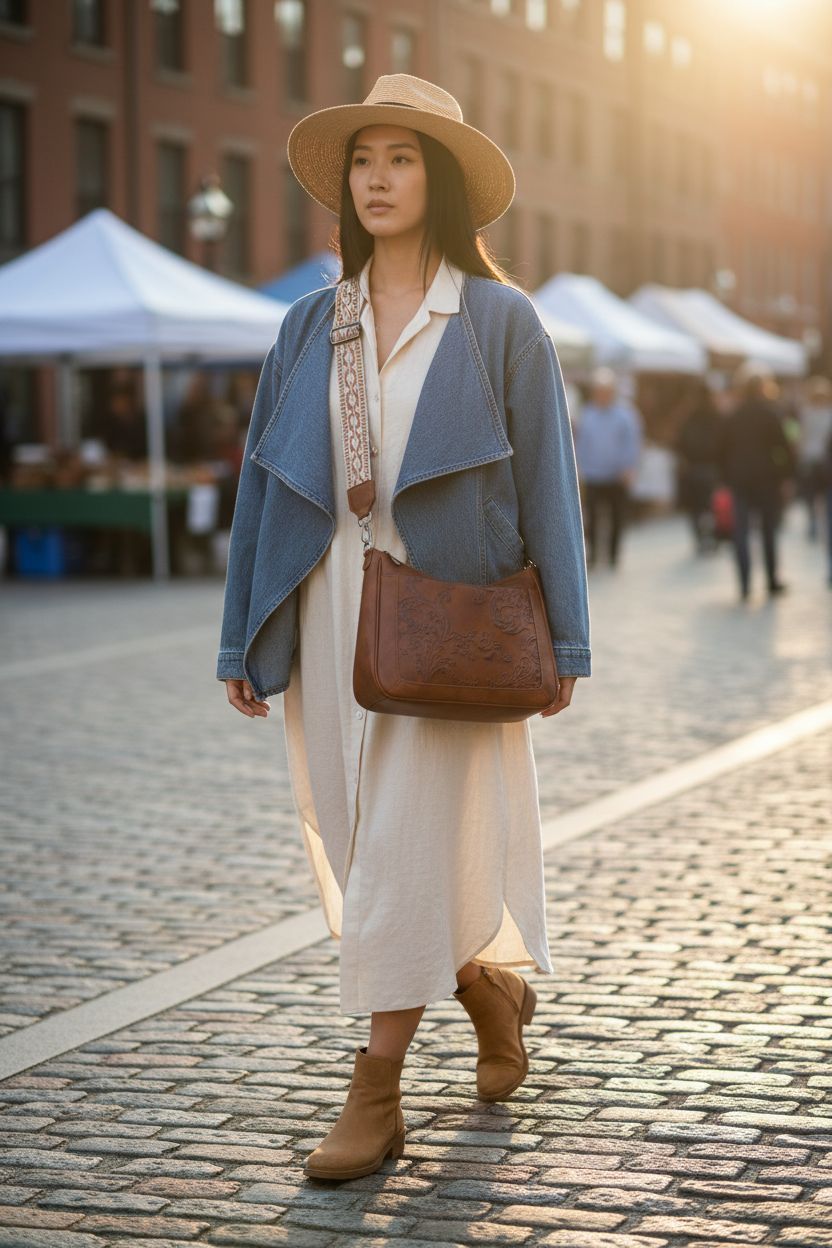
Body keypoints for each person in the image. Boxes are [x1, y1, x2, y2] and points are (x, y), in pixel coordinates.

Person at [216, 73, 591, 1181]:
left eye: (403, 159)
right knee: (359, 834)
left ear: (444, 183)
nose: (378, 179)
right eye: (364, 161)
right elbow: (260, 489)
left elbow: (552, 489)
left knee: (401, 852)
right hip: (330, 609)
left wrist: (563, 640)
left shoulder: (497, 320)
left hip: (454, 623)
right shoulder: (306, 325)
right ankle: (490, 990)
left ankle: (373, 1096)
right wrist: (243, 634)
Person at [718, 362, 795, 601]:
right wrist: (785, 476)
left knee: (741, 531)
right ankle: (771, 581)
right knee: (767, 530)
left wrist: (725, 478)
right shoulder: (770, 413)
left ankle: (744, 584)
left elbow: (720, 450)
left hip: (739, 479)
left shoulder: (733, 415)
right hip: (766, 478)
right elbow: (783, 448)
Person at [574, 366, 642, 567]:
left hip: (617, 475)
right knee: (593, 517)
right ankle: (594, 555)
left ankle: (613, 555)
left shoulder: (625, 415)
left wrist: (629, 467)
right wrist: (580, 468)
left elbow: (632, 443)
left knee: (616, 516)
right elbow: (580, 444)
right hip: (594, 474)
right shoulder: (587, 415)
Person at [674, 379, 722, 554]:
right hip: (711, 468)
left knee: (695, 507)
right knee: (709, 506)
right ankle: (711, 537)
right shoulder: (716, 415)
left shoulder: (688, 416)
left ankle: (700, 538)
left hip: (693, 468)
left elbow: (679, 442)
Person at [797, 376, 832, 541]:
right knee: (825, 495)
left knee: (810, 494)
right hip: (824, 460)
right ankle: (823, 521)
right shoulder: (828, 414)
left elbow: (801, 437)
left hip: (810, 458)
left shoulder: (806, 413)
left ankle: (813, 520)